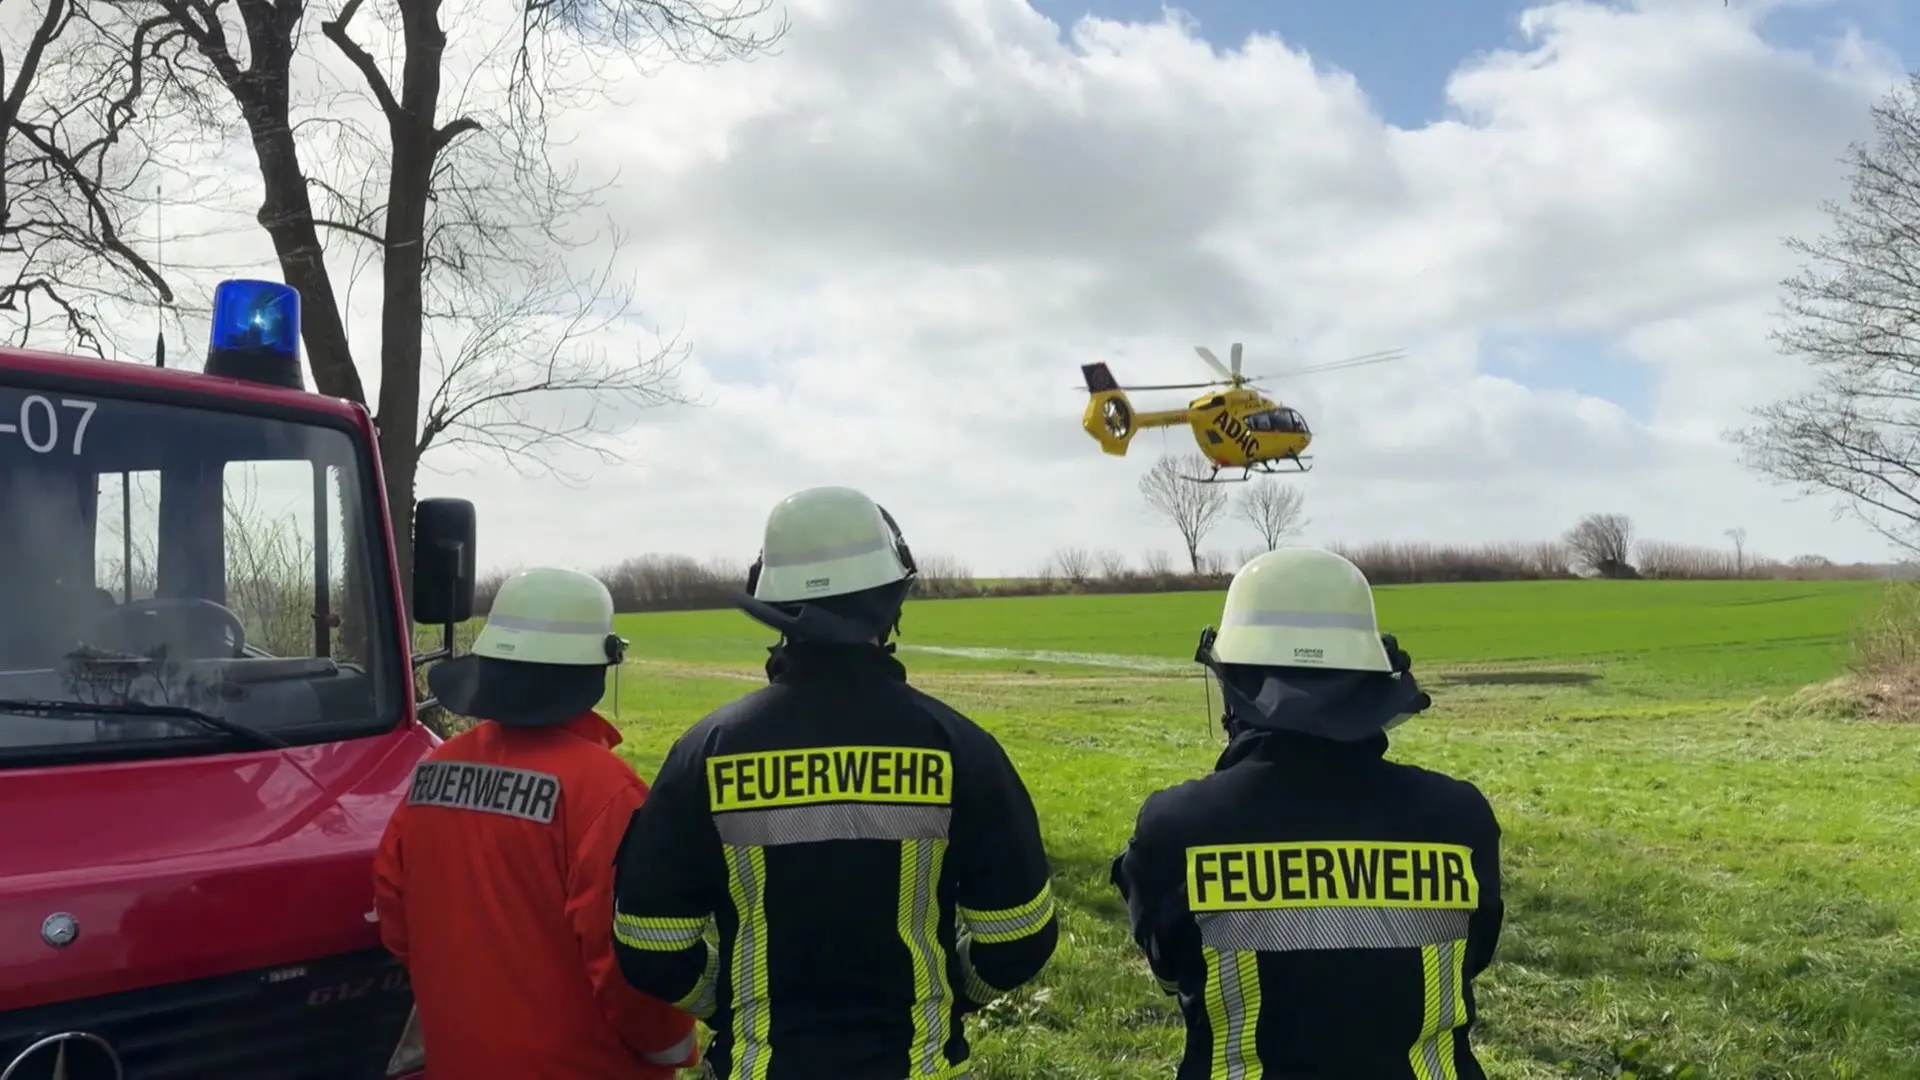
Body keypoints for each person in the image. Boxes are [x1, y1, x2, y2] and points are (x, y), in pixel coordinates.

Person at [610, 485, 1058, 1080]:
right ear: (891, 600)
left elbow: (650, 946)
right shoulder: (959, 747)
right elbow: (1019, 937)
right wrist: (951, 992)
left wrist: (731, 1003)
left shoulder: (705, 751)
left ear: (773, 605)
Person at [1109, 546, 1503, 1080]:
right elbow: (1470, 958)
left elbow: (1175, 972)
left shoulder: (1178, 828)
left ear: (1233, 682)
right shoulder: (1461, 820)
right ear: (1372, 675)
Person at [372, 567, 701, 1080]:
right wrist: (669, 1043)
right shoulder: (605, 792)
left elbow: (395, 913)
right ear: (600, 663)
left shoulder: (434, 772)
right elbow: (627, 961)